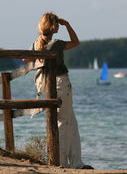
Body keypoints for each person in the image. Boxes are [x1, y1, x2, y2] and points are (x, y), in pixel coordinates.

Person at [23, 12, 93, 169]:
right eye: (56, 24)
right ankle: (61, 162)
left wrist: (40, 61)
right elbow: (76, 42)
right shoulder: (55, 43)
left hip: (50, 85)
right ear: (53, 26)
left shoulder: (37, 43)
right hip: (61, 83)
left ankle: (76, 162)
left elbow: (25, 58)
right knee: (64, 122)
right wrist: (67, 25)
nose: (58, 26)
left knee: (71, 122)